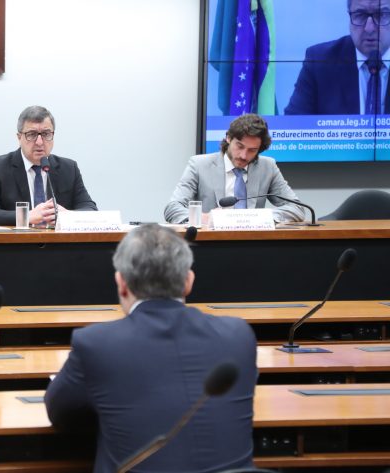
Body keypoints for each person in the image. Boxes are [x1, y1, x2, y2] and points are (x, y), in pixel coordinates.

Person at [44, 224, 257, 472]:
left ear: (121, 283)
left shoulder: (96, 343)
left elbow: (60, 414)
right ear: (188, 281)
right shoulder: (237, 335)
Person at [164, 113, 305, 224]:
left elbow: (297, 208)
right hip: (210, 244)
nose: (244, 156)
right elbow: (172, 208)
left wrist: (260, 217)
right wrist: (205, 218)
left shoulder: (268, 167)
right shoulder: (199, 165)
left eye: (252, 150)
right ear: (228, 138)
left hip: (254, 244)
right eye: (240, 146)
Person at [0, 105, 97, 226]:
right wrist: (26, 216)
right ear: (19, 137)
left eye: (46, 134)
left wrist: (67, 216)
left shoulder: (69, 168)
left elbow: (90, 209)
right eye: (32, 134)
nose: (39, 142)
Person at [285, 0, 390, 115]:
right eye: (360, 15)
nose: (369, 28)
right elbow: (293, 122)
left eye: (381, 15)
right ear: (349, 15)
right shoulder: (319, 62)